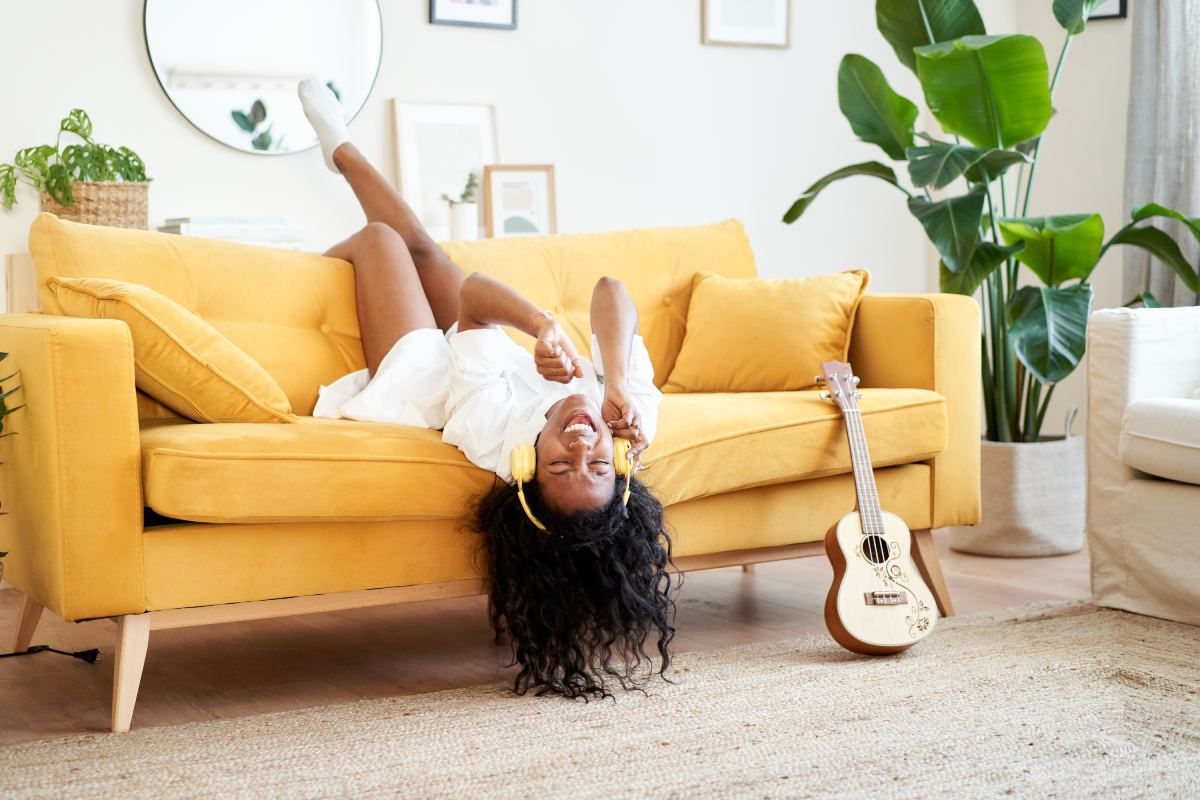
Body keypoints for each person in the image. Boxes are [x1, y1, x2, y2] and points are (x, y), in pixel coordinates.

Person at [298, 80, 678, 699]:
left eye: (561, 463)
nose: (583, 443)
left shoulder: (495, 432)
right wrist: (614, 376)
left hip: (424, 375)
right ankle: (338, 146)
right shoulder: (631, 425)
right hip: (496, 355)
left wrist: (541, 325)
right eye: (598, 463)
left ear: (528, 464)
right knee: (424, 246)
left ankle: (308, 261)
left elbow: (474, 301)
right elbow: (612, 289)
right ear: (623, 465)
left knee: (383, 242)